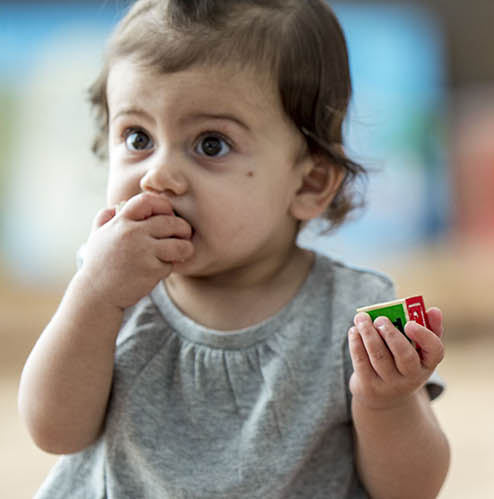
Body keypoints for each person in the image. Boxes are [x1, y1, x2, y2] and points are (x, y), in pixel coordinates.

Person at [16, 1, 450, 496]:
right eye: (137, 136)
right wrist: (93, 295)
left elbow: (411, 489)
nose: (158, 175)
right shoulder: (109, 284)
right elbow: (54, 430)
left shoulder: (350, 315)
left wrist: (388, 403)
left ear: (309, 183)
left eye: (210, 145)